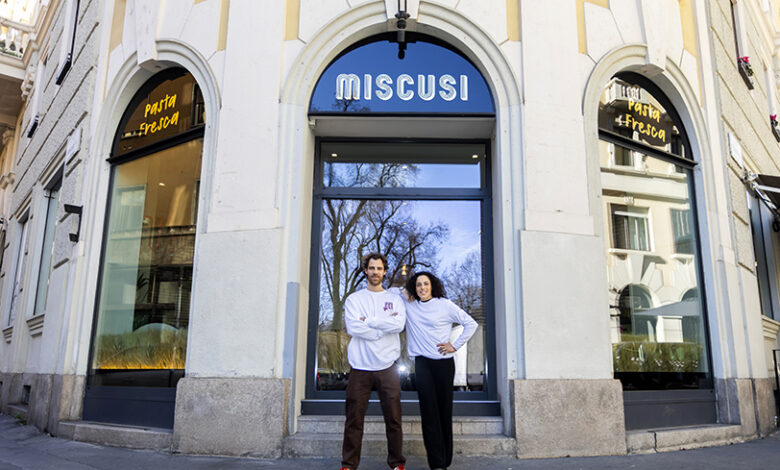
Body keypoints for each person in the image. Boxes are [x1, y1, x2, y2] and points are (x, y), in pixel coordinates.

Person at [403, 271, 478, 470]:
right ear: (414, 288)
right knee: (429, 413)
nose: (422, 288)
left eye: (426, 284)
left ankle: (446, 459)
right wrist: (405, 291)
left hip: (444, 364)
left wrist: (455, 345)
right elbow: (393, 292)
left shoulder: (444, 305)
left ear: (432, 285)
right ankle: (436, 463)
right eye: (418, 284)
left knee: (444, 411)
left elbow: (471, 324)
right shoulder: (410, 305)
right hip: (422, 365)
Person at [340, 252, 407, 470]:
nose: (375, 272)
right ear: (365, 270)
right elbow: (353, 327)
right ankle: (348, 465)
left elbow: (398, 325)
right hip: (360, 368)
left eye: (379, 268)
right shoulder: (354, 299)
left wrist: (368, 321)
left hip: (388, 368)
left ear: (385, 271)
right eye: (371, 268)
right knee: (354, 420)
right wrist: (381, 328)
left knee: (394, 420)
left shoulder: (394, 300)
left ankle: (397, 463)